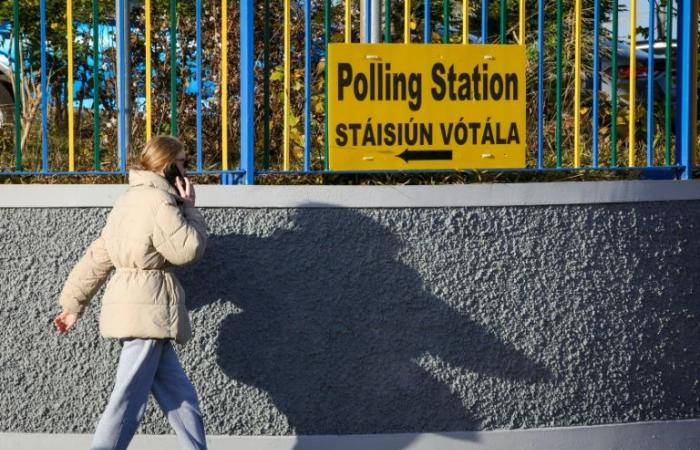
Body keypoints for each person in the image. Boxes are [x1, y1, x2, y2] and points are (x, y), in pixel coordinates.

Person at [53, 135, 209, 450]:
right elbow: (188, 249)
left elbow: (99, 255)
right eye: (183, 163)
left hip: (144, 311)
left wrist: (73, 305)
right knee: (126, 401)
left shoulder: (127, 200)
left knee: (181, 397)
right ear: (167, 167)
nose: (187, 170)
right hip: (146, 311)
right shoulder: (159, 202)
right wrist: (191, 209)